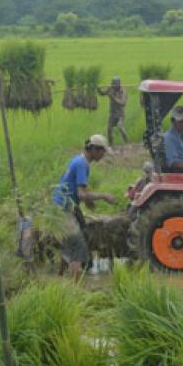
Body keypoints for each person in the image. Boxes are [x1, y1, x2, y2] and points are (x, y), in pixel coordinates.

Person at [52, 135, 117, 282]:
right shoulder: (82, 164)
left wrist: (88, 202)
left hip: (65, 204)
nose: (103, 155)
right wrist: (103, 196)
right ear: (93, 149)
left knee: (74, 238)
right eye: (102, 151)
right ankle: (76, 287)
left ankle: (60, 276)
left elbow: (77, 190)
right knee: (77, 244)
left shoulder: (79, 160)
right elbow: (82, 194)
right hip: (63, 207)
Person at [97, 77, 128, 146]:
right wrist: (98, 89)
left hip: (120, 114)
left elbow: (123, 103)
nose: (114, 87)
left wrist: (113, 98)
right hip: (112, 113)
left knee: (120, 126)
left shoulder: (123, 91)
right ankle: (110, 144)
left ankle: (126, 142)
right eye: (113, 85)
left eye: (116, 86)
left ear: (119, 85)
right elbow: (102, 93)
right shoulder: (111, 88)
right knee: (109, 129)